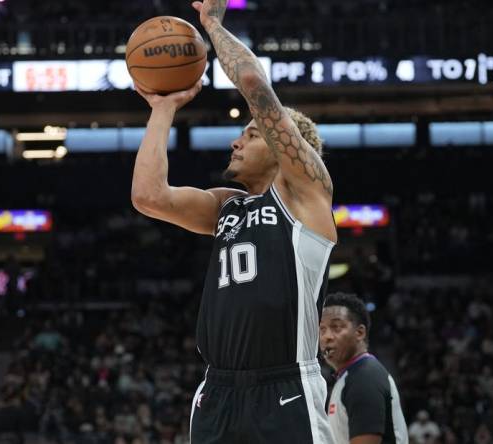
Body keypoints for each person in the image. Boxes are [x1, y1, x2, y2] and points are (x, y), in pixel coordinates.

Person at [130, 0, 337, 442]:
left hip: (284, 388)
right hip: (218, 391)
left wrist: (211, 25)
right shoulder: (228, 207)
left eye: (252, 133)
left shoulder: (306, 195)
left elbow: (250, 80)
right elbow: (148, 196)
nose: (235, 140)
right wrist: (162, 108)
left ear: (287, 149)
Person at [319, 293, 408, 444]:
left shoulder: (364, 378)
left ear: (360, 333)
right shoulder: (351, 376)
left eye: (336, 327)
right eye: (322, 329)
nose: (326, 336)